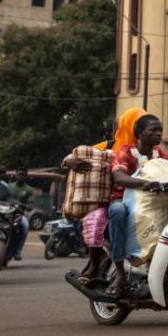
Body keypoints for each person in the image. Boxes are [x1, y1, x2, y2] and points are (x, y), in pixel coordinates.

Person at [62, 107, 145, 285]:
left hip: (144, 198)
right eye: (138, 124)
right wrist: (70, 161)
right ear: (129, 125)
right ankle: (94, 262)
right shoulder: (111, 146)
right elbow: (79, 154)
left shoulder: (150, 148)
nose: (143, 128)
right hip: (111, 199)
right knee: (97, 219)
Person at [106, 113, 168, 295]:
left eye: (160, 130)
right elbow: (119, 177)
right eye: (153, 130)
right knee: (118, 211)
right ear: (140, 132)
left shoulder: (161, 154)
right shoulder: (125, 151)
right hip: (123, 201)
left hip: (155, 202)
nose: (159, 134)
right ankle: (120, 271)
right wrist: (145, 184)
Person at [8, 168, 34, 261]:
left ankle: (18, 250)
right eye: (18, 174)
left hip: (19, 214)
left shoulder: (29, 189)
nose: (20, 176)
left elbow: (30, 205)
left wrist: (27, 206)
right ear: (15, 175)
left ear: (26, 176)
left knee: (25, 226)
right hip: (5, 212)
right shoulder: (9, 186)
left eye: (23, 174)